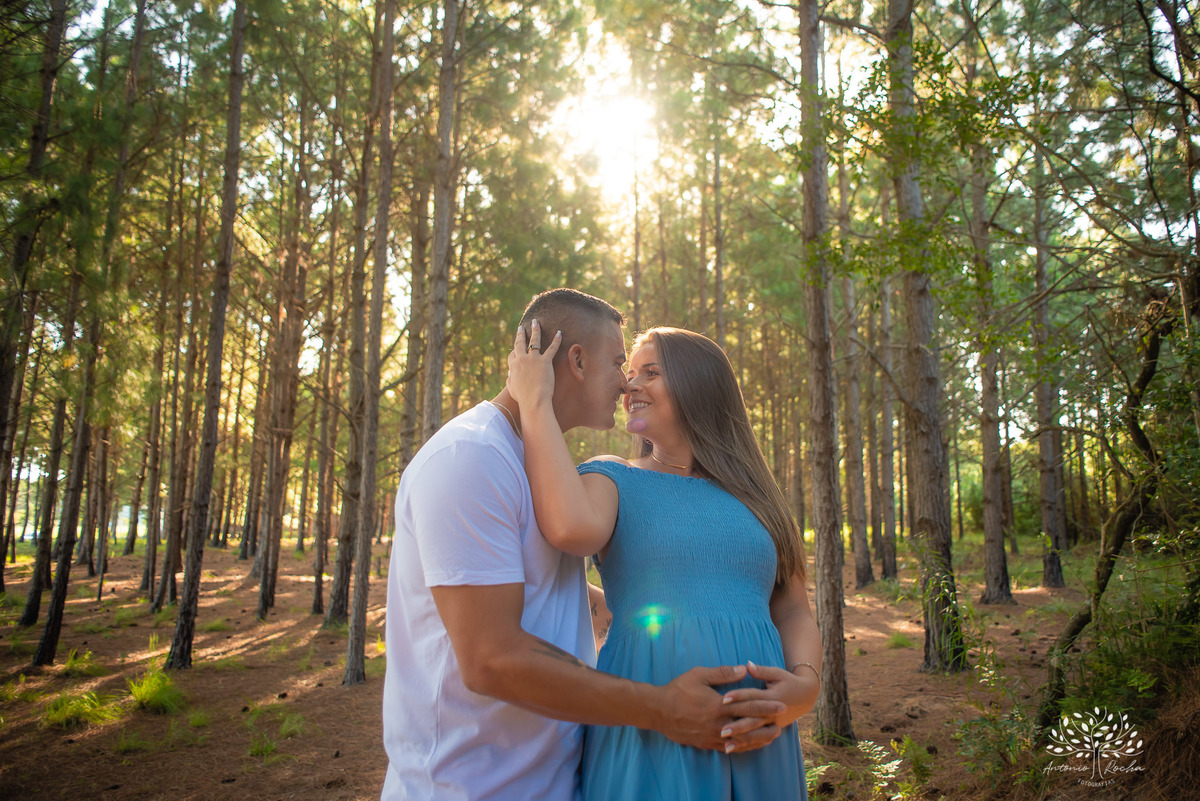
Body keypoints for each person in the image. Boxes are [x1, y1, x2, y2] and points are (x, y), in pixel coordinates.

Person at [381, 289, 784, 801]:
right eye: (619, 362)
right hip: (473, 787)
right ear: (576, 360)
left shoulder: (533, 461)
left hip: (555, 780)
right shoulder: (470, 458)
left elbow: (532, 582)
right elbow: (491, 659)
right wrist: (662, 707)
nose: (625, 382)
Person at [507, 322, 822, 800]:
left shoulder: (758, 497)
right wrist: (534, 403)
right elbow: (571, 528)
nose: (630, 385)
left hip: (759, 737)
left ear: (699, 383)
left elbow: (794, 609)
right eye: (629, 372)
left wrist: (805, 686)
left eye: (650, 372)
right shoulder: (611, 477)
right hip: (651, 731)